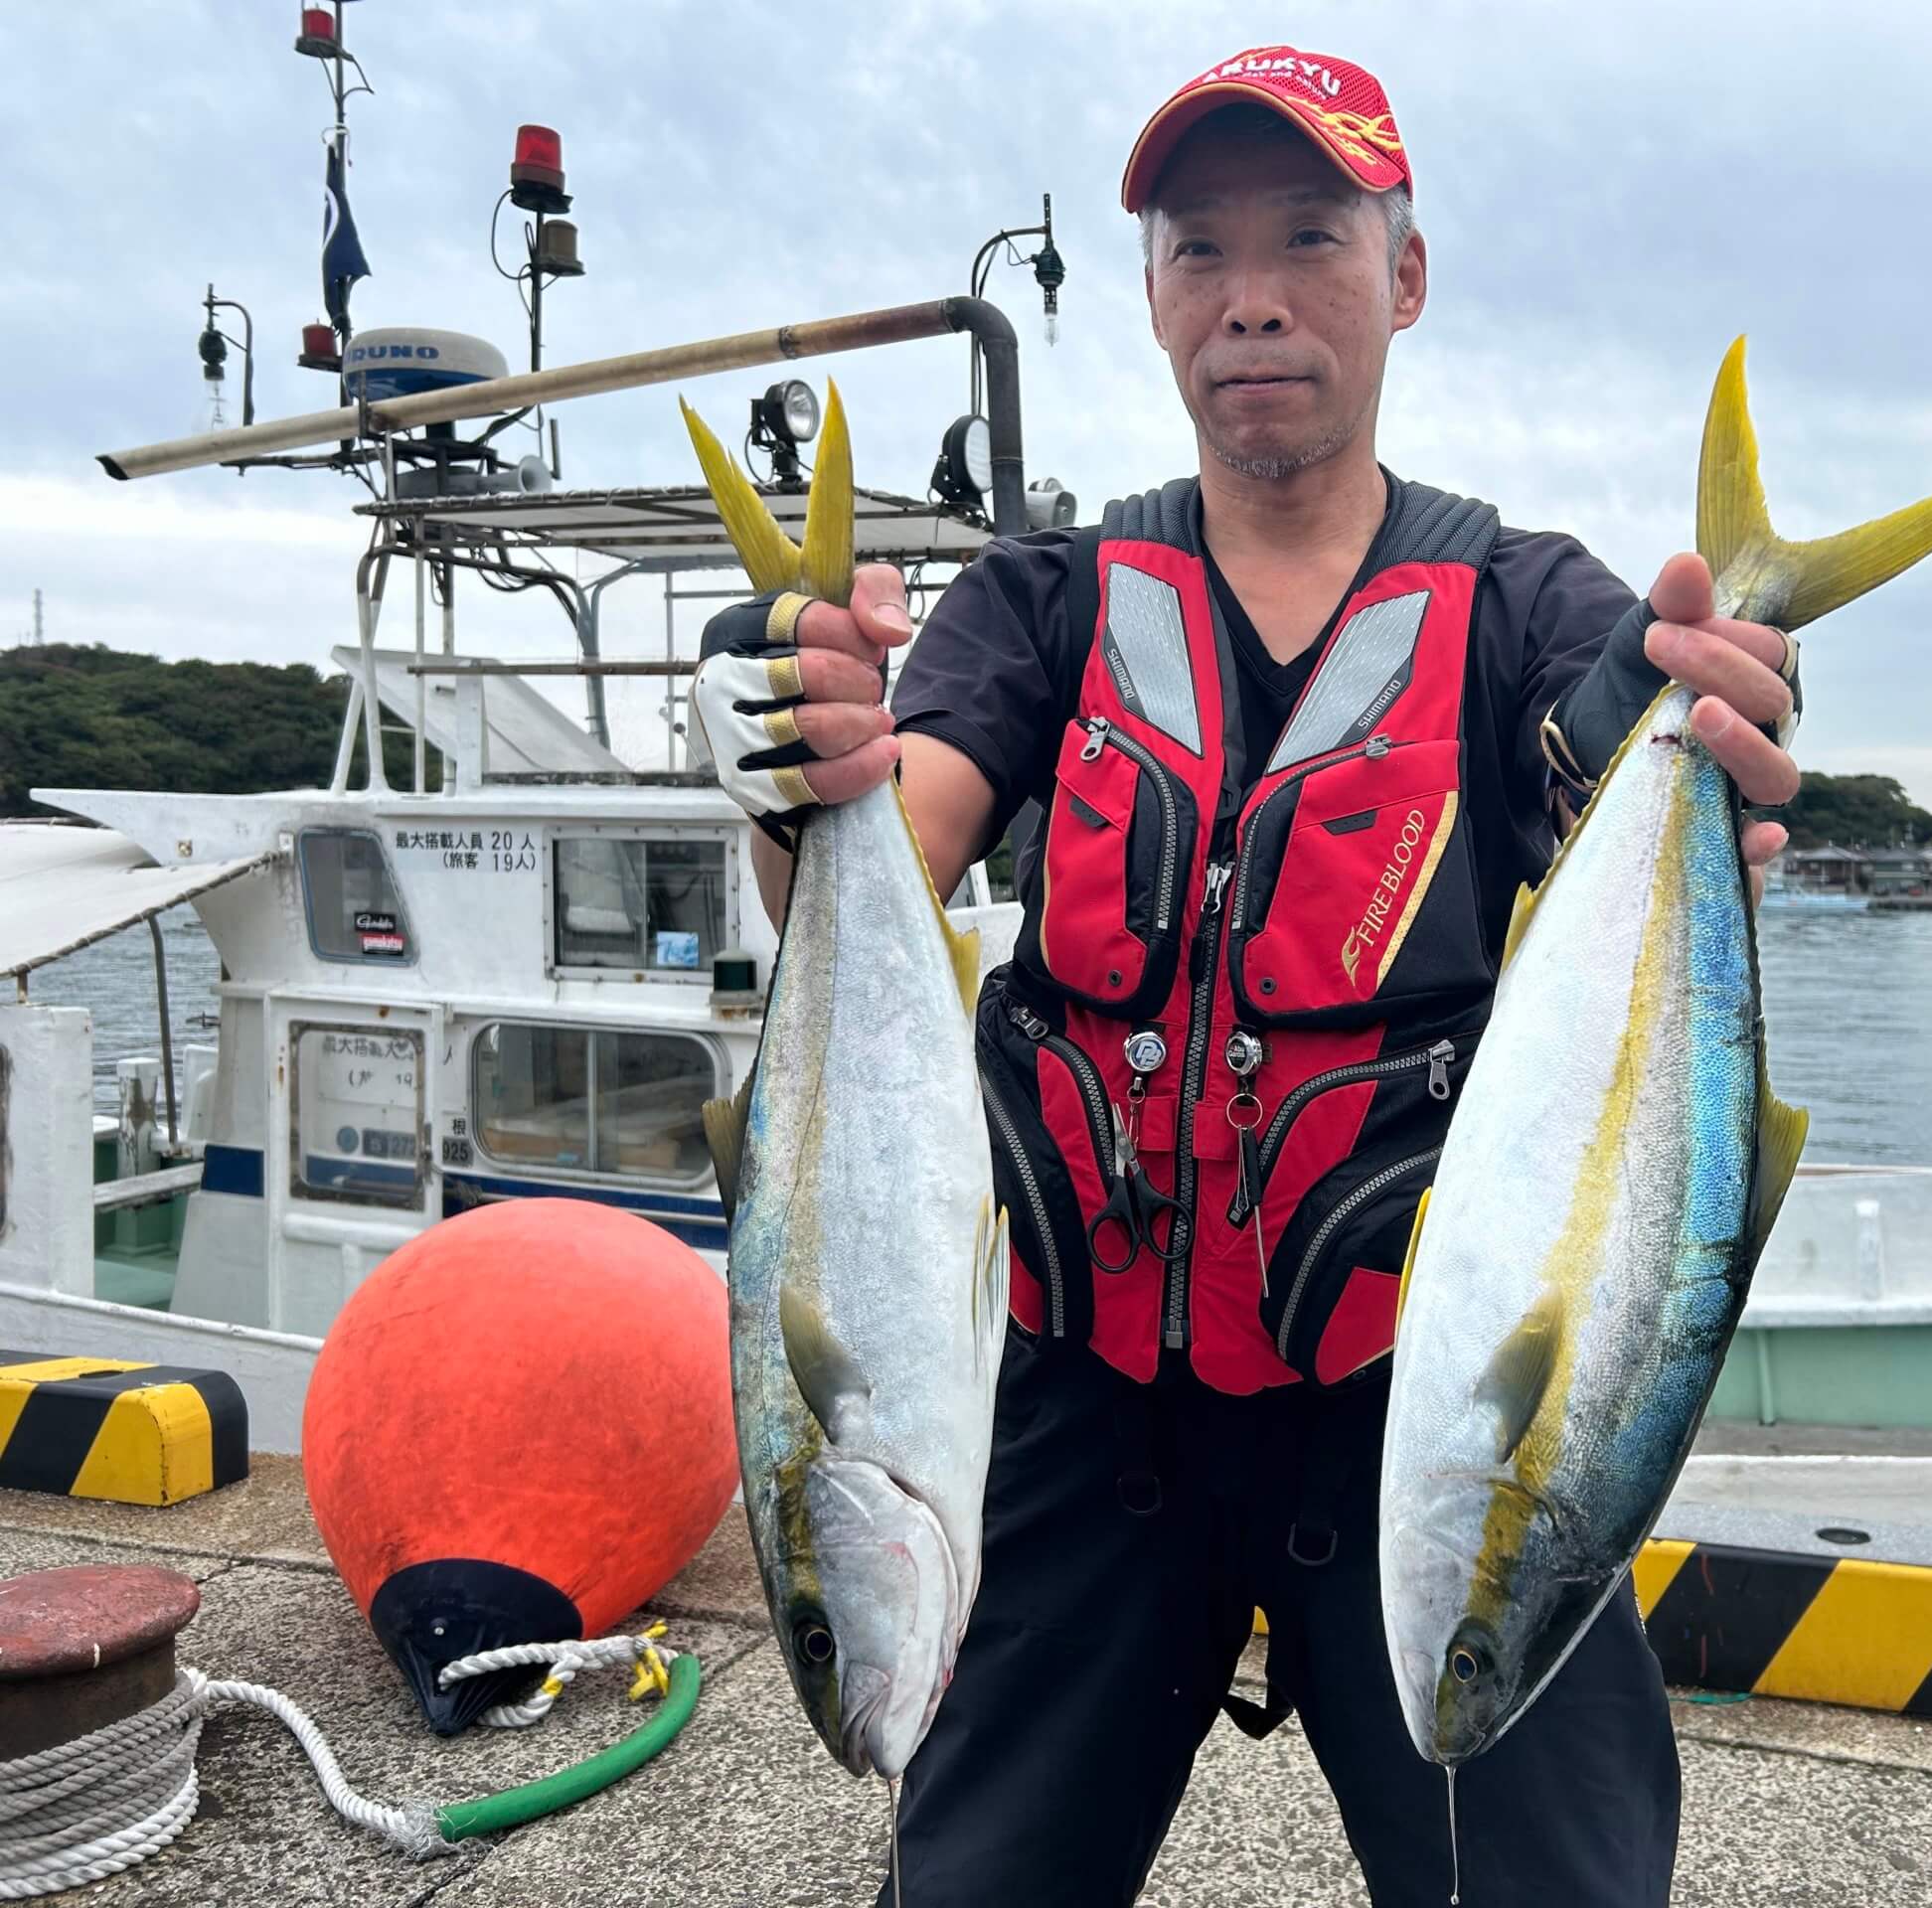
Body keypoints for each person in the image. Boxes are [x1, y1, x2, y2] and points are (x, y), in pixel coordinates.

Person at [691, 45, 1800, 1906]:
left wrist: (1713, 717)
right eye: (1199, 250)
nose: (1254, 296)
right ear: (1151, 296)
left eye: (1310, 236)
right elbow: (891, 846)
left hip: (1418, 1405)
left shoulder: (1530, 604)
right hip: (1076, 1406)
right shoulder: (1045, 600)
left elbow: (1608, 751)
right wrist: (788, 755)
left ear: (1407, 276)